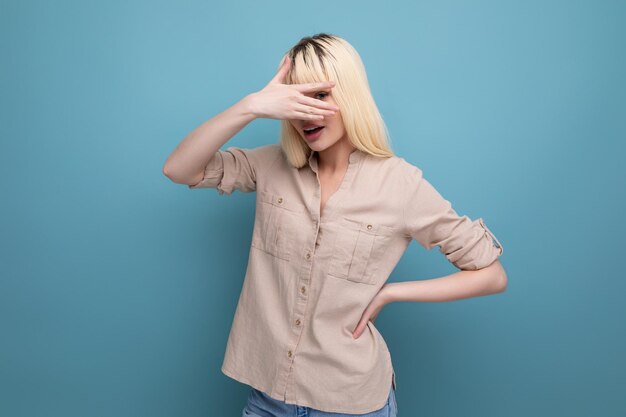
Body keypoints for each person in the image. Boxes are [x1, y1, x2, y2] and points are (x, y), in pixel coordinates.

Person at [163, 32, 507, 417]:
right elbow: (179, 169)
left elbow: (491, 275)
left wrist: (390, 294)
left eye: (321, 96)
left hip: (350, 402)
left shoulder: (401, 184)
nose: (306, 114)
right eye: (296, 102)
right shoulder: (270, 166)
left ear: (350, 95)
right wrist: (252, 106)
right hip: (269, 399)